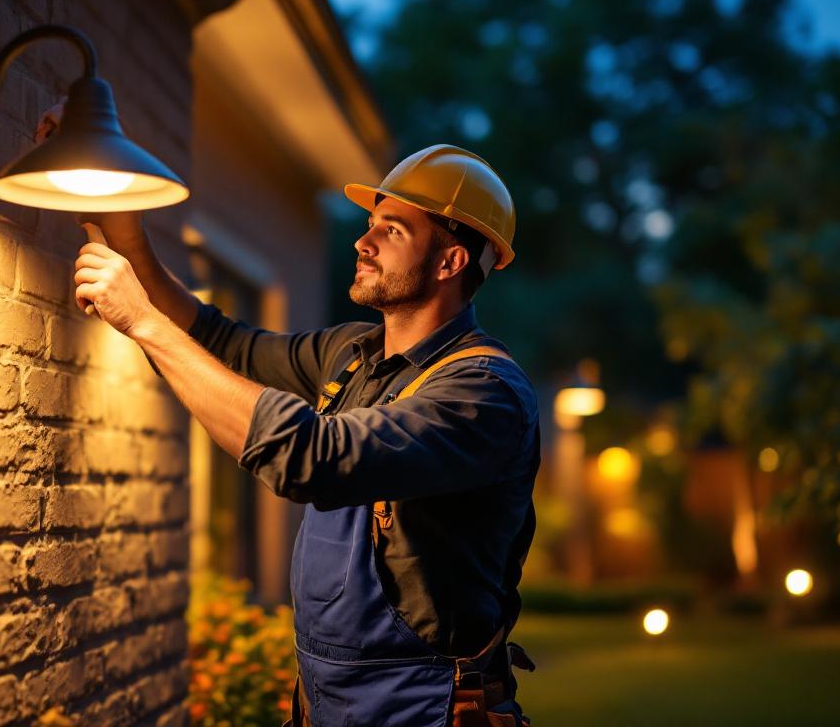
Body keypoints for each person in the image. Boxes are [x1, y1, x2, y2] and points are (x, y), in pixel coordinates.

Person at [71, 143, 539, 727]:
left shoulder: (482, 395)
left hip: (428, 710)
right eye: (369, 225)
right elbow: (218, 343)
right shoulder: (351, 354)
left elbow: (313, 458)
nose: (362, 243)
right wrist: (125, 230)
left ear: (449, 263)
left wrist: (141, 322)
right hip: (325, 707)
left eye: (391, 231)